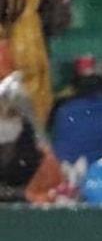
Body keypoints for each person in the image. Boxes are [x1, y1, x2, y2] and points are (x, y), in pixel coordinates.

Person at [0, 70, 61, 203]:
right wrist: (22, 195)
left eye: (11, 113)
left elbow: (51, 196)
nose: (4, 120)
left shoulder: (41, 157)